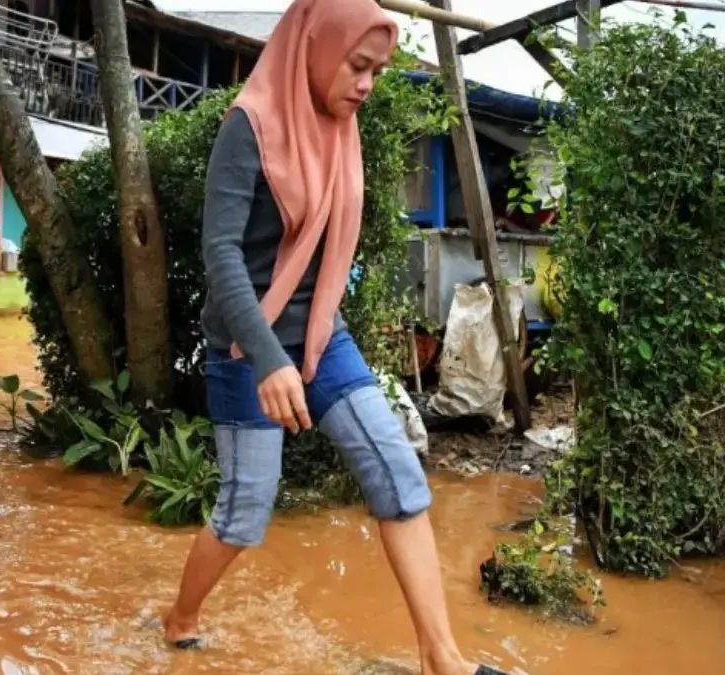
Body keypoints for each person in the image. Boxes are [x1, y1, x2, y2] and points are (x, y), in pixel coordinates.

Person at [160, 2, 506, 674]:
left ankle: (444, 658)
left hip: (323, 337)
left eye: (377, 70)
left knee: (397, 470)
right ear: (316, 47)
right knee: (245, 512)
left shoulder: (340, 129)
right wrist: (267, 359)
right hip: (246, 344)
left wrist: (305, 349)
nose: (368, 84)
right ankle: (181, 616)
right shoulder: (249, 124)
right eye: (359, 65)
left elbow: (330, 249)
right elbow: (221, 254)